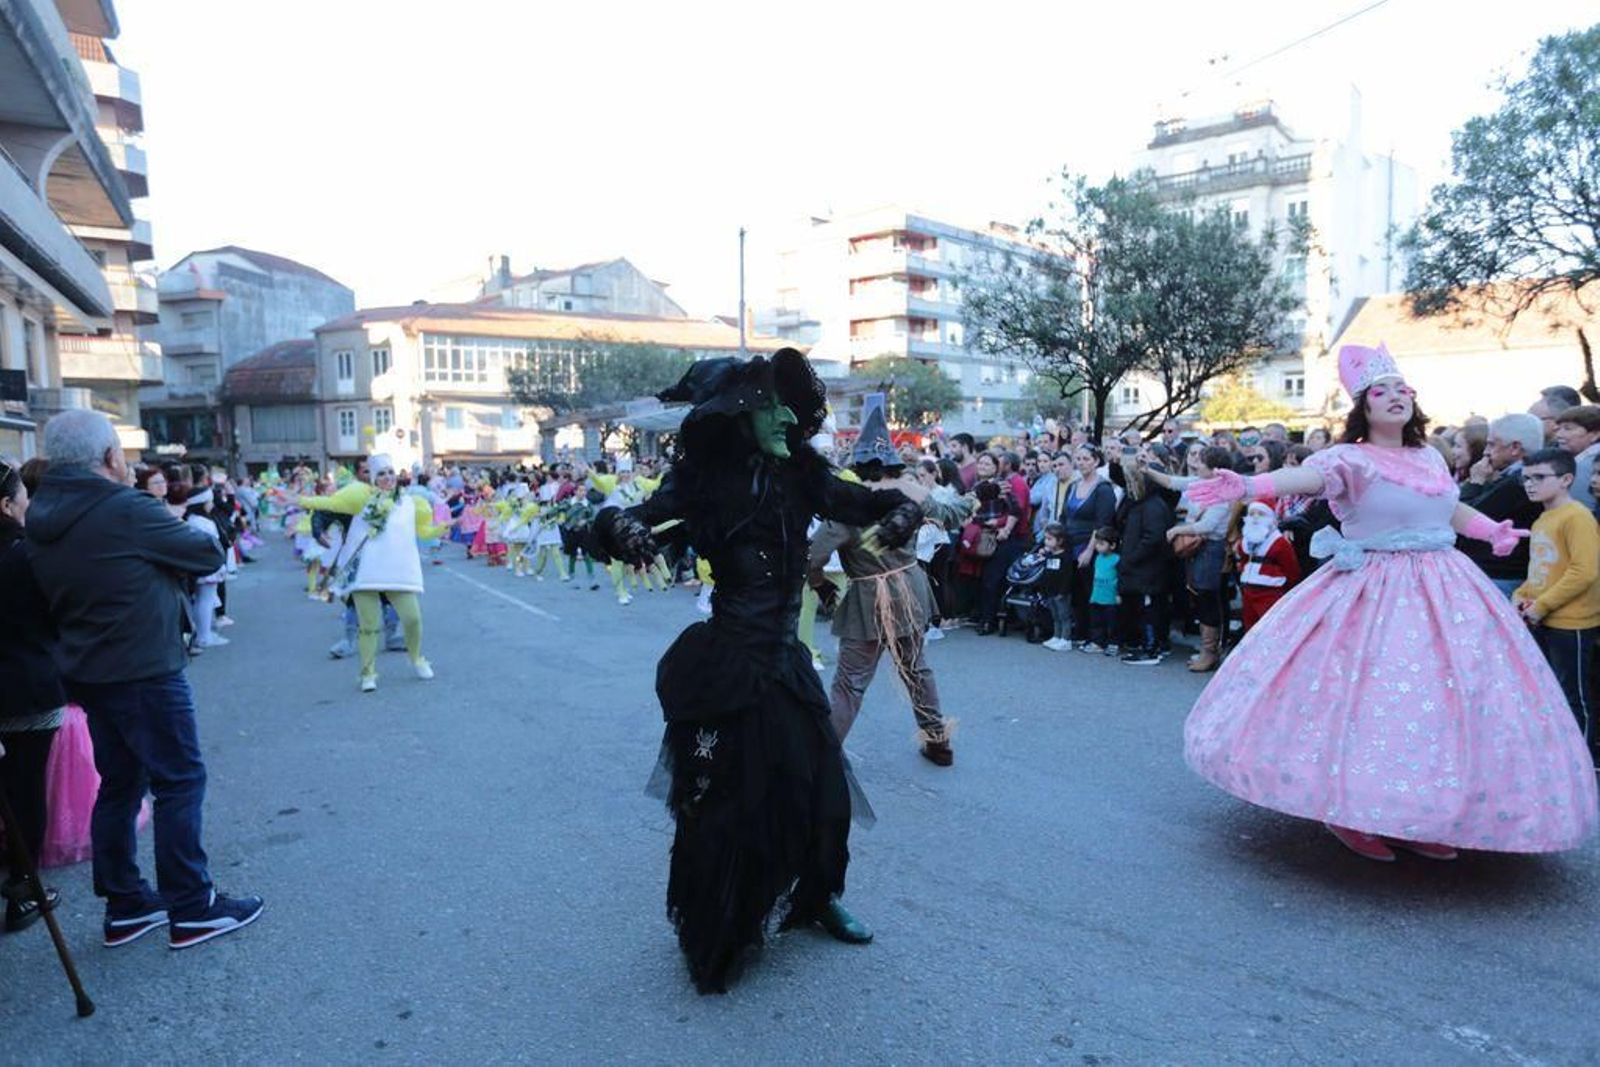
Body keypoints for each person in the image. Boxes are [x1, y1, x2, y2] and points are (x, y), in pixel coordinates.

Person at [1182, 344, 1598, 862]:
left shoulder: (1428, 456)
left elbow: (1449, 510)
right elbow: (1308, 478)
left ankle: (1420, 814)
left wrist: (1492, 531)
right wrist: (1248, 482)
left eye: (1404, 390)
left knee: (1438, 704)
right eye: (1383, 391)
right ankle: (1348, 810)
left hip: (1445, 587)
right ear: (1364, 405)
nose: (1397, 397)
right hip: (1370, 588)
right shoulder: (1348, 457)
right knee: (1367, 701)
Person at [591, 349, 922, 995]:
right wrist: (622, 530)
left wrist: (907, 505)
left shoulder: (804, 474)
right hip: (729, 664)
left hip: (785, 663)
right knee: (723, 804)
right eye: (771, 403)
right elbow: (624, 520)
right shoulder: (703, 482)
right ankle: (718, 923)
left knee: (823, 793)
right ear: (740, 414)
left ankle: (817, 895)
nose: (787, 414)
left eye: (790, 404)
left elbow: (861, 502)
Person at [25, 409, 264, 947]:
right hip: (143, 667)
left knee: (121, 785)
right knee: (179, 780)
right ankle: (192, 905)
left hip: (87, 669)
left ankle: (126, 901)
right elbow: (205, 552)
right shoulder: (122, 507)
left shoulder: (42, 509)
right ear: (110, 457)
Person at [811, 394, 966, 766]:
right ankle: (938, 744)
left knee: (850, 682)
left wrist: (818, 583)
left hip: (868, 598)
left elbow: (811, 557)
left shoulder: (849, 504)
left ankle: (824, 760)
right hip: (910, 589)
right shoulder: (912, 492)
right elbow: (951, 514)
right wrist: (977, 498)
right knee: (917, 670)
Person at [301, 453, 443, 692]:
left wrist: (444, 527)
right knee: (368, 625)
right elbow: (329, 505)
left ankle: (417, 658)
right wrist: (299, 501)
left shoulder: (410, 502)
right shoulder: (360, 497)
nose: (387, 477)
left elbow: (424, 532)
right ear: (373, 479)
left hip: (398, 573)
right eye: (381, 474)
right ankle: (368, 673)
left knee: (413, 619)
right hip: (366, 572)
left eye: (390, 472)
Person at [0, 457, 64, 932]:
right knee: (26, 788)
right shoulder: (25, 553)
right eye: (23, 499)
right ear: (7, 505)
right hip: (27, 685)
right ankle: (24, 886)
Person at [1513, 448, 1600, 767]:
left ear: (1566, 479)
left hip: (1572, 622)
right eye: (1526, 478)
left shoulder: (1577, 517)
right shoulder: (1543, 518)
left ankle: (1585, 765)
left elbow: (1584, 571)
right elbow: (1541, 569)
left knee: (1575, 696)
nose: (1530, 484)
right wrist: (1521, 597)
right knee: (1553, 694)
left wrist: (1543, 605)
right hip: (1542, 617)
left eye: (1539, 477)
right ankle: (1561, 763)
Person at [1458, 413, 1544, 597]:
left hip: (1498, 578)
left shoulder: (1519, 482)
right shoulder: (1513, 478)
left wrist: (1475, 482)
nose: (1485, 452)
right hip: (1497, 575)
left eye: (1491, 444)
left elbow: (1464, 517)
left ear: (1514, 447)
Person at [1061, 445, 1118, 646]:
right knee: (1075, 592)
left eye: (1086, 459)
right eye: (1079, 459)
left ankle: (1097, 638)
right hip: (1070, 545)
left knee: (1091, 593)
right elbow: (1063, 517)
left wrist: (1089, 550)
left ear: (1096, 461)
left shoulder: (1104, 489)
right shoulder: (1073, 486)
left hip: (1091, 546)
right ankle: (1080, 632)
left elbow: (1102, 523)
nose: (1082, 463)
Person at [1234, 501, 1301, 632]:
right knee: (1250, 628)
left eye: (1260, 514)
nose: (1255, 517)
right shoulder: (1245, 541)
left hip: (1270, 592)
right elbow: (1243, 561)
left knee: (1269, 628)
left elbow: (1292, 569)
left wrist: (1287, 590)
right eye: (1251, 513)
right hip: (1248, 591)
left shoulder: (1280, 542)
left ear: (1270, 518)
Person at [1552, 404, 1600, 510]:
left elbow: (1582, 508)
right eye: (1559, 429)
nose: (1559, 435)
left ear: (1595, 434)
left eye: (1568, 428)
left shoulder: (1587, 463)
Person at [1082, 526, 1120, 654]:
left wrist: (1119, 594)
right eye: (1097, 543)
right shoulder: (1097, 558)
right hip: (1097, 596)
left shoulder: (1117, 559)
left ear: (1113, 545)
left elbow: (1120, 578)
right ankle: (1097, 642)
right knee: (1096, 622)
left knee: (1112, 623)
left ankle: (1113, 644)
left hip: (1110, 598)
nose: (1098, 547)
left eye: (1102, 544)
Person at [1039, 523, 1073, 651]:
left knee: (1064, 616)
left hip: (1061, 592)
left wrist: (1063, 591)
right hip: (1050, 591)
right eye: (1045, 538)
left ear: (1060, 541)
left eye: (1049, 539)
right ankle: (1056, 636)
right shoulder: (1049, 555)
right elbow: (1046, 573)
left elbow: (1067, 577)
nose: (1046, 542)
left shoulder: (1065, 557)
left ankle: (1066, 639)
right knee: (1055, 616)